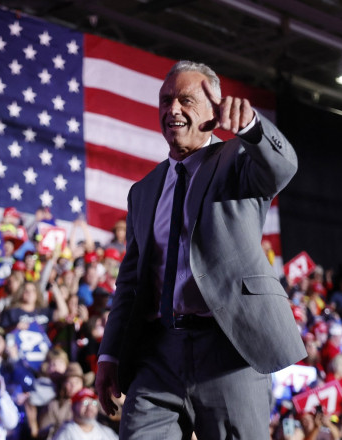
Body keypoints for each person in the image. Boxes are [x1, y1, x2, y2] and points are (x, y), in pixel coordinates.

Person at [95, 60, 305, 439]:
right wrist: (109, 354)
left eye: (186, 100)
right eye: (166, 100)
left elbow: (282, 168)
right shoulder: (142, 191)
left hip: (229, 350)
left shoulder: (238, 160)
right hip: (158, 354)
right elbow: (129, 284)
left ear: (213, 111)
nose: (172, 109)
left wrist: (251, 129)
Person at [52, 388, 118, 440]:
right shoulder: (67, 432)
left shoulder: (105, 431)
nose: (90, 406)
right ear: (73, 407)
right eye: (85, 403)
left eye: (93, 403)